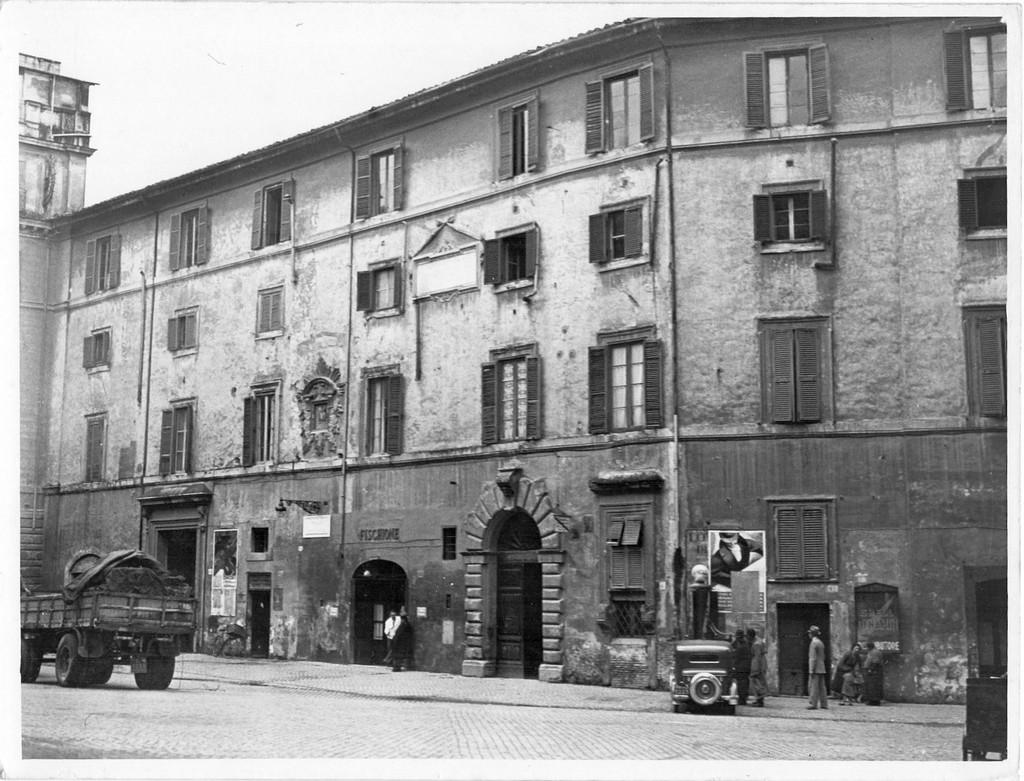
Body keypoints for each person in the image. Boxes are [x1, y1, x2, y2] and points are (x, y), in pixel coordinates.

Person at [806, 625, 828, 709]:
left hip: (815, 668)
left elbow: (813, 658)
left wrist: (811, 670)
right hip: (821, 667)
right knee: (822, 687)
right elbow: (823, 656)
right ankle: (824, 703)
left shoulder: (813, 643)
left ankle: (813, 704)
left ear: (811, 634)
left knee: (813, 686)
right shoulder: (820, 642)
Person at [747, 627, 767, 707]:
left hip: (758, 664)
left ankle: (759, 700)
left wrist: (756, 669)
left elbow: (757, 657)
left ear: (750, 636)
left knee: (756, 682)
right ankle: (759, 699)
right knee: (759, 682)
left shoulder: (756, 644)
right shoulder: (758, 640)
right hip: (761, 662)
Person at [731, 629, 752, 705]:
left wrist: (734, 666)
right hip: (744, 667)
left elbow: (736, 656)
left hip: (742, 667)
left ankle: (742, 699)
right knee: (743, 683)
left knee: (742, 684)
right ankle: (743, 698)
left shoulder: (742, 645)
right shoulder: (742, 642)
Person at [391, 606, 413, 672]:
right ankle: (397, 667)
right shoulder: (405, 625)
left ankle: (396, 667)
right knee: (398, 655)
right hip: (400, 643)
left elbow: (398, 634)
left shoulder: (403, 625)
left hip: (399, 643)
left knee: (398, 655)